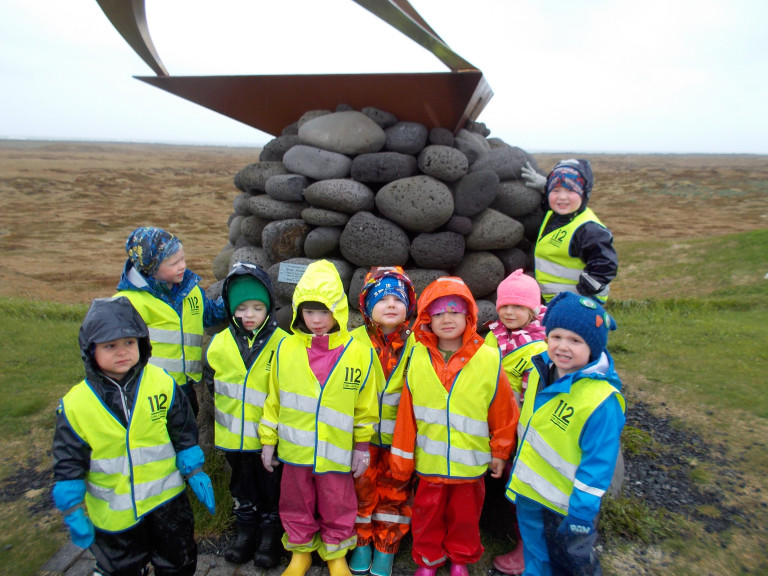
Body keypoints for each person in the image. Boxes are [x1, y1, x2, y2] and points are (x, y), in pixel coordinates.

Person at [52, 296, 216, 576]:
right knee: (120, 568)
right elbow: (68, 456)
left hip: (167, 502)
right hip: (116, 512)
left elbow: (182, 428)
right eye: (110, 346)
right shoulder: (76, 404)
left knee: (178, 561)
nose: (122, 352)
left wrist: (194, 468)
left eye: (129, 342)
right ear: (91, 349)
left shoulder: (162, 382)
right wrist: (71, 504)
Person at [389, 276, 520, 576]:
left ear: (468, 315)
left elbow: (503, 409)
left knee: (465, 517)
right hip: (429, 463)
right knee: (427, 514)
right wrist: (402, 459)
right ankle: (428, 560)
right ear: (427, 318)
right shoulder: (417, 356)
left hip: (470, 465)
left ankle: (460, 558)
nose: (446, 319)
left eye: (454, 311)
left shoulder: (488, 358)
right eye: (437, 313)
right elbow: (407, 412)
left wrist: (501, 451)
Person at [258, 259, 380, 576]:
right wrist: (268, 441)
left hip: (336, 453)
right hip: (295, 452)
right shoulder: (286, 349)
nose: (315, 320)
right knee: (295, 502)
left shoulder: (359, 352)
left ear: (337, 310)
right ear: (299, 311)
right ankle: (300, 553)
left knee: (338, 504)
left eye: (324, 312)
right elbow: (274, 399)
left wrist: (362, 447)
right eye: (309, 311)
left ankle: (336, 555)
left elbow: (366, 406)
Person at [505, 292, 625, 576]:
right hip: (530, 491)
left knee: (570, 564)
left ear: (593, 346)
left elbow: (598, 464)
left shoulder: (601, 401)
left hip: (565, 506)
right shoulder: (540, 370)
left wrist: (582, 513)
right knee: (535, 553)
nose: (562, 346)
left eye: (575, 340)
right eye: (556, 336)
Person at [203, 262, 288, 567]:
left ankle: (269, 537)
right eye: (241, 308)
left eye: (257, 307)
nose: (249, 314)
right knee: (240, 487)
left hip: (269, 441)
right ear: (230, 309)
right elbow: (211, 382)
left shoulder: (283, 344)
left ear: (269, 308)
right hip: (233, 439)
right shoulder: (220, 344)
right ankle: (245, 533)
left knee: (270, 489)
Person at [348, 267, 417, 576]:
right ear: (366, 305)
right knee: (359, 489)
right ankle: (361, 542)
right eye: (382, 298)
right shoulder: (352, 342)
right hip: (360, 438)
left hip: (400, 440)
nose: (391, 304)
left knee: (395, 493)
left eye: (398, 299)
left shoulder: (418, 344)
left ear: (408, 306)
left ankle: (386, 546)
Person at [115, 226, 227, 416]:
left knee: (188, 427)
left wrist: (235, 296)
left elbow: (209, 315)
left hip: (186, 387)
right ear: (151, 268)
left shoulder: (191, 291)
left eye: (182, 259)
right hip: (149, 390)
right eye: (174, 263)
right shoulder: (129, 303)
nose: (182, 266)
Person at [484, 269, 549, 575]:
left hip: (520, 431)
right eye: (505, 305)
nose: (509, 312)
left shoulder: (539, 347)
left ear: (533, 310)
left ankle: (528, 548)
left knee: (522, 490)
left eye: (518, 306)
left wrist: (514, 436)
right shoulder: (493, 335)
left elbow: (531, 398)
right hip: (490, 423)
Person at [521, 159, 618, 304]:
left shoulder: (588, 230)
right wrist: (544, 186)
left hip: (578, 303)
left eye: (570, 190)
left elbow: (605, 266)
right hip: (556, 300)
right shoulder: (555, 214)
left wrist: (581, 295)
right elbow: (549, 202)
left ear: (584, 193)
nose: (562, 197)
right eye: (556, 190)